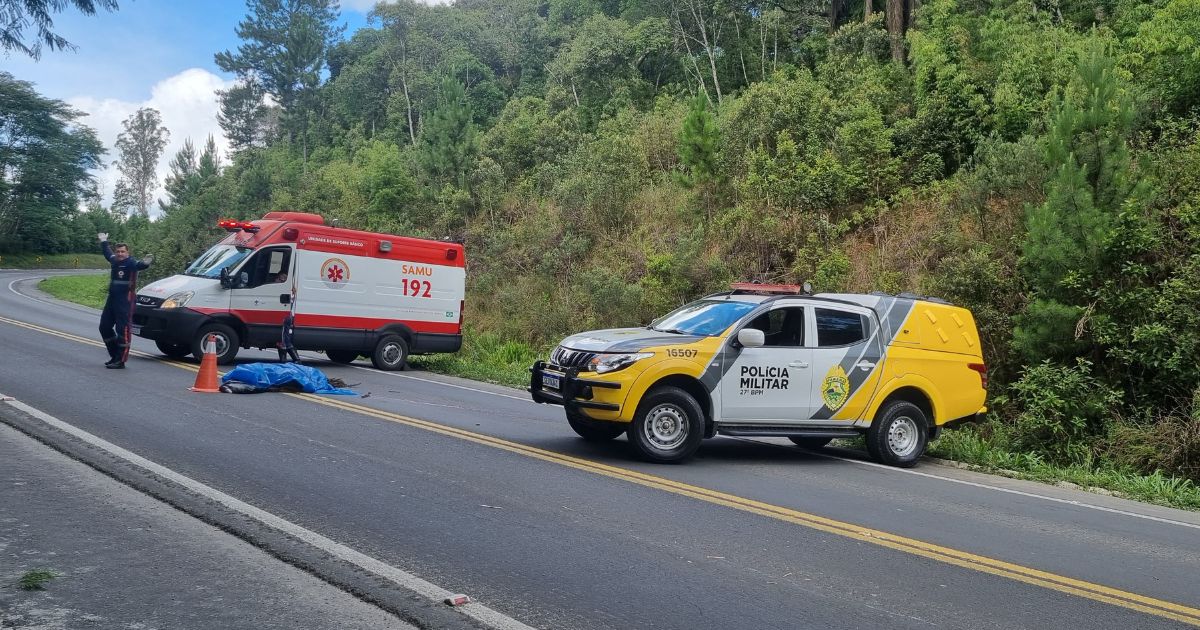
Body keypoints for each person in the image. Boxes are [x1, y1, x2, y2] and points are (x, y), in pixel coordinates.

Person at [98, 233, 152, 369]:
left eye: (123, 251)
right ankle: (114, 355)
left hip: (125, 301)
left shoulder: (131, 263)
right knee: (104, 327)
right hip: (112, 300)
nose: (120, 254)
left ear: (128, 252)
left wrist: (146, 263)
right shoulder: (114, 260)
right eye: (118, 252)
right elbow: (107, 253)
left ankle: (120, 360)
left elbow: (140, 265)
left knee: (123, 329)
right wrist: (104, 241)